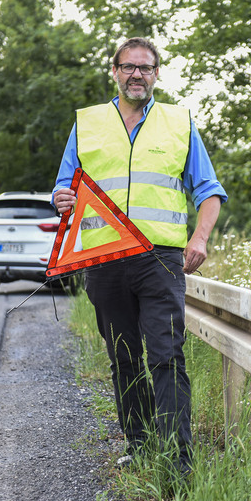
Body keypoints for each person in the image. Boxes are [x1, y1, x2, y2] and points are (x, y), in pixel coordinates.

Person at [52, 37, 227, 475]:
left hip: (161, 260)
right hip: (105, 261)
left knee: (166, 354)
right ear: (114, 71)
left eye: (145, 68)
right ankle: (140, 443)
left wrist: (200, 238)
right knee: (124, 356)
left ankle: (178, 460)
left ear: (156, 75)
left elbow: (209, 192)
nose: (136, 75)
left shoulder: (179, 123)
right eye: (128, 67)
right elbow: (63, 185)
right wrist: (60, 199)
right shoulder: (87, 124)